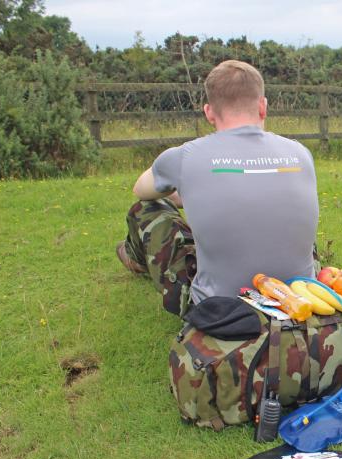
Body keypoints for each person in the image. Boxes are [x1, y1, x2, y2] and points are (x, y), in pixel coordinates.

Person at [116, 60, 319, 316]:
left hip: (222, 310)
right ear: (263, 107)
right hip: (302, 297)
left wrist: (190, 193)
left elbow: (142, 191)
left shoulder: (185, 156)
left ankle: (134, 260)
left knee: (146, 209)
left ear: (209, 112)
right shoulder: (299, 152)